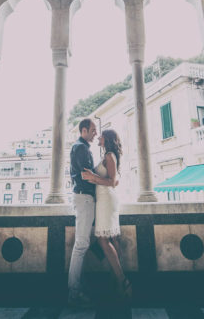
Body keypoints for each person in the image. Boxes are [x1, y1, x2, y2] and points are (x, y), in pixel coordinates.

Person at [81, 128, 132, 299]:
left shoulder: (110, 156)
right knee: (113, 238)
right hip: (104, 200)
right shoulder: (107, 155)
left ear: (107, 139)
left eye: (101, 135)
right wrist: (94, 176)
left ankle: (122, 280)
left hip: (106, 200)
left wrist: (93, 178)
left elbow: (113, 182)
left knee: (103, 240)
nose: (99, 137)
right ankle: (116, 282)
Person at [68, 118, 97, 306]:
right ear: (84, 130)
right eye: (93, 130)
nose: (95, 133)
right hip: (84, 198)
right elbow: (87, 175)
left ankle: (76, 288)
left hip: (84, 198)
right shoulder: (81, 147)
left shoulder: (81, 147)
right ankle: (74, 292)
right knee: (81, 244)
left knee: (82, 244)